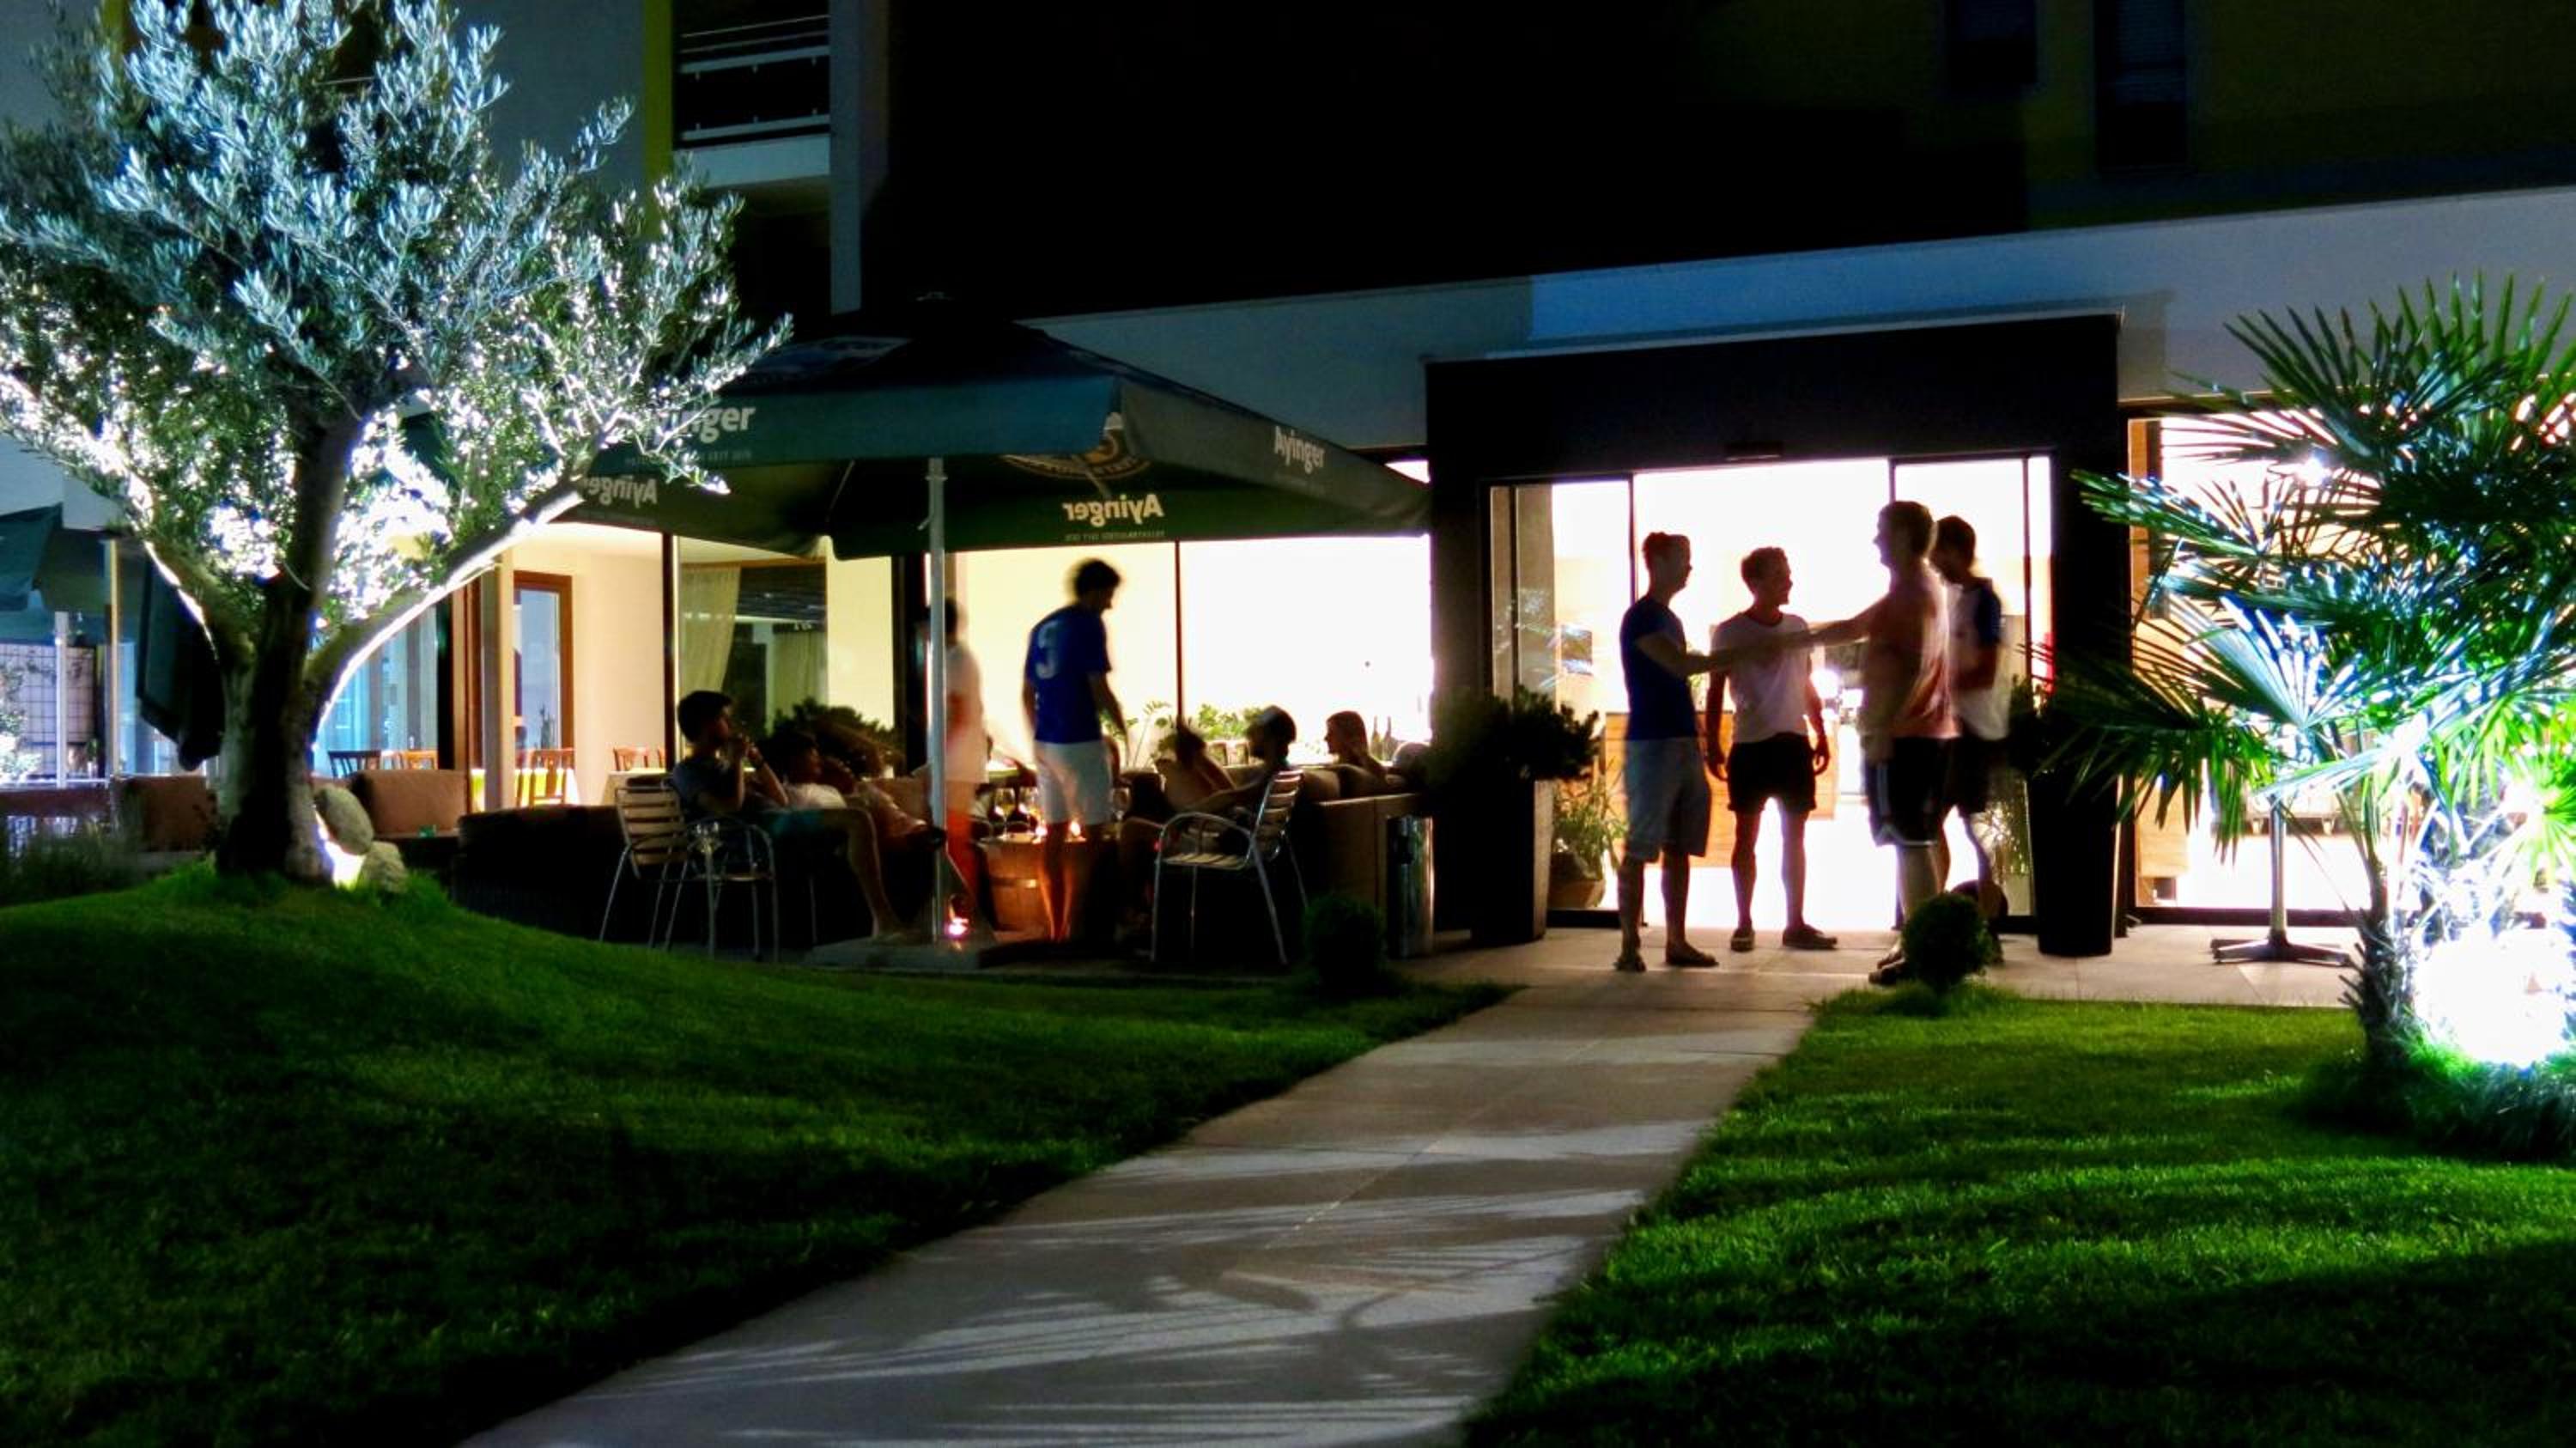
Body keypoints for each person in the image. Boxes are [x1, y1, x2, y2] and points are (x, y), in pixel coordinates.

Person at [1613, 532, 1800, 972]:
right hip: (1653, 744)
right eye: (1683, 559)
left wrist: (1700, 734)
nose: (1689, 567)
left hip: (1680, 742)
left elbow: (1677, 679)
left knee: (1679, 845)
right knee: (1641, 845)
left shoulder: (1669, 619)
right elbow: (1679, 666)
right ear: (1659, 562)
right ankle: (1629, 946)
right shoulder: (1642, 617)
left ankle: (1676, 941)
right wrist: (1744, 652)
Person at [1802, 502, 1954, 983]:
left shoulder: (1912, 596)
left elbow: (1913, 664)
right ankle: (1916, 943)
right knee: (1914, 841)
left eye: (1882, 531)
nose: (1875, 540)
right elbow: (1853, 628)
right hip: (1917, 736)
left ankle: (1922, 955)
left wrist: (1885, 727)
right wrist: (1784, 641)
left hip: (1906, 739)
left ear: (1904, 537)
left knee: (1911, 842)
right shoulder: (1913, 591)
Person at [670, 691, 908, 939]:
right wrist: (737, 762)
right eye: (724, 718)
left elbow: (780, 798)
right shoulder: (687, 771)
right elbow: (728, 808)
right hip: (757, 835)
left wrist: (757, 761)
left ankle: (864, 922)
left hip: (777, 821)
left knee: (861, 825)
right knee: (856, 820)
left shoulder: (723, 765)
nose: (730, 725)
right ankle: (883, 920)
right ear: (706, 724)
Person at [1708, 547, 1838, 953]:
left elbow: (1805, 682)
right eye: (1780, 575)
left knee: (1794, 836)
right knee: (1746, 836)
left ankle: (1794, 922)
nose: (1789, 581)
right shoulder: (1730, 632)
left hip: (1792, 742)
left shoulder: (1797, 627)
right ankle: (1744, 922)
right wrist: (1711, 742)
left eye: (1788, 573)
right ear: (1756, 583)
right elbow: (1715, 688)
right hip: (1750, 744)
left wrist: (1819, 730)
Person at [1023, 558, 1128, 940]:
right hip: (1080, 738)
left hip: (1046, 741)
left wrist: (1037, 734)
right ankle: (1079, 926)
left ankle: (1056, 927)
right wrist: (1122, 728)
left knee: (1053, 834)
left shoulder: (1042, 627)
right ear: (1095, 591)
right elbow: (1098, 687)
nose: (1110, 604)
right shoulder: (1087, 624)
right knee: (1094, 833)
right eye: (1108, 594)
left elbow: (1027, 692)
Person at [1930, 515, 2009, 921]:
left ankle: (1980, 920)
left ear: (1953, 552)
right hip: (1958, 730)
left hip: (1973, 732)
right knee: (1943, 825)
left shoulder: (1983, 603)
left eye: (1936, 553)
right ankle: (1944, 913)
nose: (1932, 563)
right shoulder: (1958, 600)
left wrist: (1936, 687)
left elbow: (1985, 673)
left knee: (1967, 826)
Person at [933, 600, 989, 922]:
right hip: (960, 761)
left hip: (955, 764)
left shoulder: (956, 660)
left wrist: (938, 757)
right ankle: (962, 908)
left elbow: (959, 713)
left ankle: (963, 910)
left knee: (954, 839)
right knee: (955, 838)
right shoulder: (960, 659)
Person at [1322, 709, 1406, 794]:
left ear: (1348, 736)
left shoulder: (1357, 774)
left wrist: (1363, 754)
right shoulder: (1335, 769)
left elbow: (1382, 777)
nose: (1326, 738)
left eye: (1331, 733)